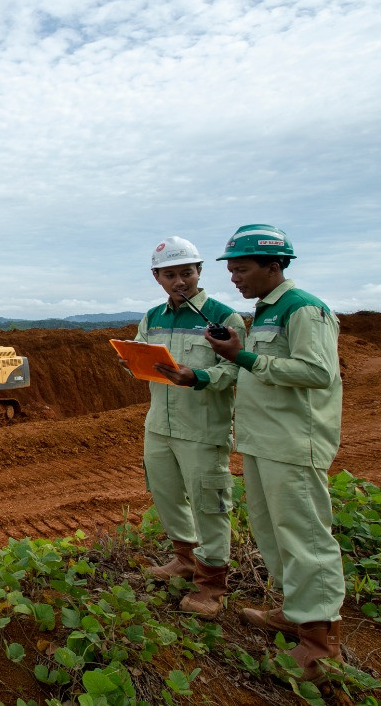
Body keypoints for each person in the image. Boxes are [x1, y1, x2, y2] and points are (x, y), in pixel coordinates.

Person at [205, 224, 344, 681]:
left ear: (274, 265)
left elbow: (317, 371)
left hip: (293, 443)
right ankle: (294, 611)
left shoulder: (303, 309)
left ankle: (320, 646)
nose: (234, 279)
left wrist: (244, 358)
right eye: (232, 270)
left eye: (241, 269)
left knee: (304, 535)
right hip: (263, 441)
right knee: (272, 532)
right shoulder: (265, 312)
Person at [132, 236, 246, 619]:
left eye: (187, 272)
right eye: (170, 274)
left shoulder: (223, 317)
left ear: (199, 272)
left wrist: (195, 376)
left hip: (202, 427)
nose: (180, 281)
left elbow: (234, 369)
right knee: (165, 493)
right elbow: (140, 348)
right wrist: (130, 360)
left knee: (209, 503)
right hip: (159, 425)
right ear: (157, 277)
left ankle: (211, 584)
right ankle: (184, 558)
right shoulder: (152, 317)